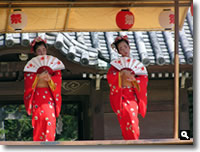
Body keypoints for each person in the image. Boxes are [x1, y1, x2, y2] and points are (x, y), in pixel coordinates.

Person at [107, 35, 148, 140]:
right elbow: (110, 78)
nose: (124, 50)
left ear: (129, 47)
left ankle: (134, 141)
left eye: (125, 47)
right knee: (125, 120)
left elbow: (143, 79)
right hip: (121, 97)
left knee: (133, 119)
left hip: (132, 96)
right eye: (121, 49)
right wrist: (120, 74)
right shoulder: (116, 66)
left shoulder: (136, 65)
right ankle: (129, 142)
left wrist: (134, 80)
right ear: (118, 52)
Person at [23, 37, 63, 141]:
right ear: (35, 53)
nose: (42, 52)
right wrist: (38, 77)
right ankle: (38, 146)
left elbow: (58, 80)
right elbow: (28, 81)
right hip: (37, 97)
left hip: (49, 96)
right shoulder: (31, 67)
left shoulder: (53, 66)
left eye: (44, 50)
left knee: (49, 119)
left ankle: (49, 144)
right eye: (39, 51)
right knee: (39, 120)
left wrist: (50, 78)